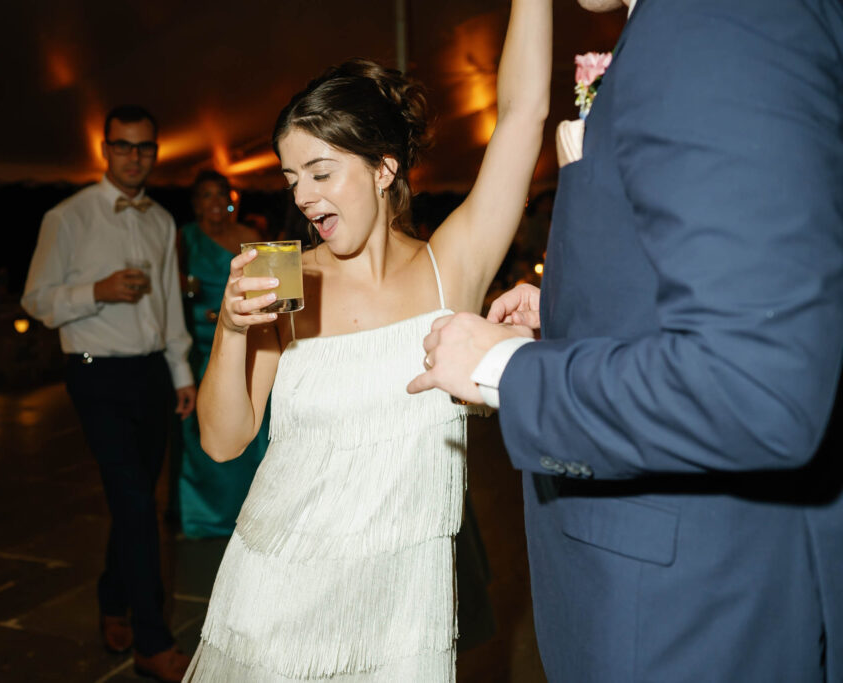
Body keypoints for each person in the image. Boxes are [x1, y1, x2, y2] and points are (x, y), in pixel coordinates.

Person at [409, 1, 843, 681]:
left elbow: (757, 383)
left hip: (689, 612)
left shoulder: (711, 19)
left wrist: (505, 367)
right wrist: (570, 316)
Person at [185, 0, 551, 679]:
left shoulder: (450, 270)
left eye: (321, 172)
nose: (303, 196)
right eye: (292, 179)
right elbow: (222, 442)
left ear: (383, 169)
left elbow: (523, 114)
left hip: (403, 614)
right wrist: (232, 330)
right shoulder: (285, 278)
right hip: (275, 600)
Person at [21, 105, 195, 682]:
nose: (134, 157)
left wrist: (180, 373)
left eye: (145, 147)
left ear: (156, 152)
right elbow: (36, 300)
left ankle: (112, 600)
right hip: (96, 374)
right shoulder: (67, 217)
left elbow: (168, 304)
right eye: (124, 145)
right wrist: (96, 290)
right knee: (138, 503)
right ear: (104, 149)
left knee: (134, 501)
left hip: (151, 374)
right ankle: (151, 640)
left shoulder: (161, 220)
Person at [177, 170, 268, 538]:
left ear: (232, 201)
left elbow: (265, 284)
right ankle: (207, 517)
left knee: (252, 426)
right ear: (197, 203)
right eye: (207, 195)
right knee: (205, 431)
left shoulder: (250, 236)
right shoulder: (185, 238)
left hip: (246, 338)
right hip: (201, 344)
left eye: (221, 195)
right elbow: (172, 291)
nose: (215, 202)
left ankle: (252, 511)